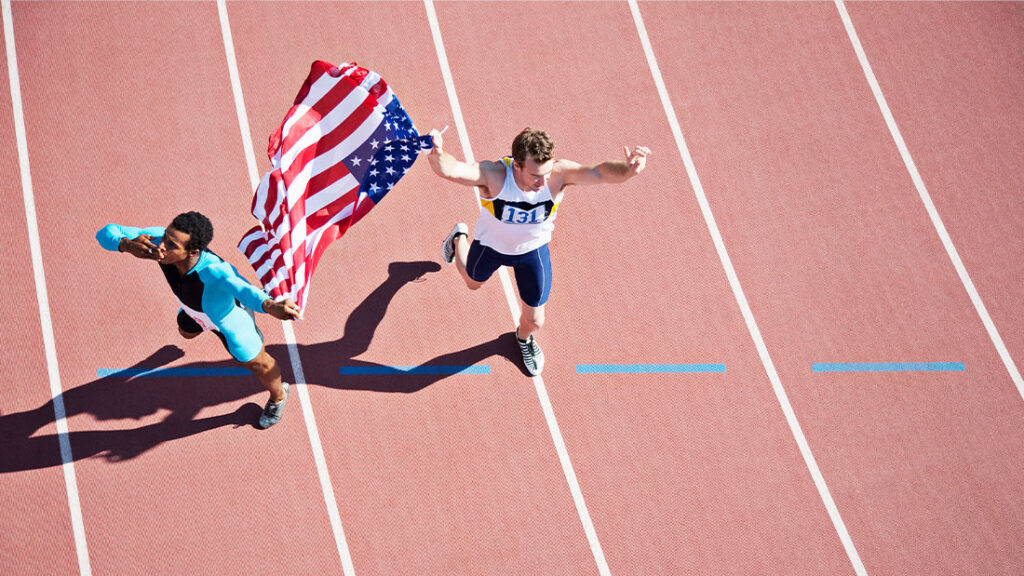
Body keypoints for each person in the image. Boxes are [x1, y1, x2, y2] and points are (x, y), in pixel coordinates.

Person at [427, 127, 650, 376]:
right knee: (472, 283)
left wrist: (626, 170)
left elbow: (599, 172)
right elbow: (451, 169)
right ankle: (459, 238)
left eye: (546, 173)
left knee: (535, 321)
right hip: (492, 246)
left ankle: (523, 340)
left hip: (531, 252)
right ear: (517, 166)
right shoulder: (494, 176)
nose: (542, 183)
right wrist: (437, 152)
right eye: (535, 175)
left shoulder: (558, 174)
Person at [96, 211, 301, 428]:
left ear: (192, 251)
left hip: (227, 320)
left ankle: (279, 395)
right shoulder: (156, 241)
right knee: (185, 332)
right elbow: (104, 233)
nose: (162, 245)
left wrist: (269, 305)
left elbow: (243, 287)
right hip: (194, 311)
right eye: (166, 236)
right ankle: (198, 319)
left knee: (258, 363)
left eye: (172, 244)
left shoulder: (215, 271)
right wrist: (126, 244)